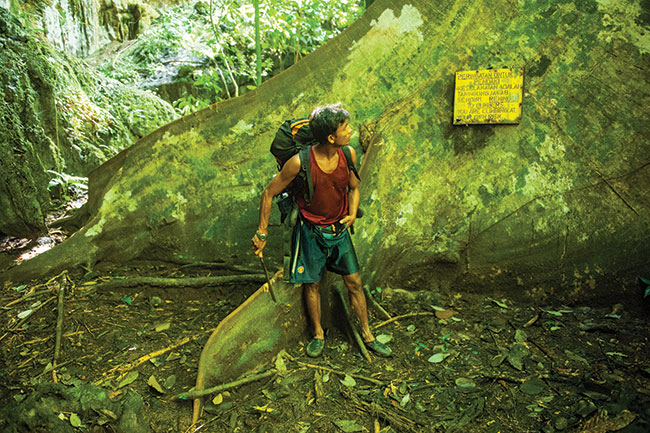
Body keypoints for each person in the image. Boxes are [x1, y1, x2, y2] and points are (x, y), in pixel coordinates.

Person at [252, 104, 391, 358]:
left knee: (355, 283)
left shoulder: (348, 155)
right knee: (312, 284)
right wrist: (262, 233)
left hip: (339, 230)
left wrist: (351, 214)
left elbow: (354, 188)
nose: (350, 131)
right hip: (310, 231)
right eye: (345, 128)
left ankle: (368, 335)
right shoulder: (299, 162)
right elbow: (269, 192)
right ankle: (318, 334)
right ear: (330, 137)